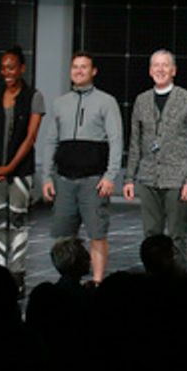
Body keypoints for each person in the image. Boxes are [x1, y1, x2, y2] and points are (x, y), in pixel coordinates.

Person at [41, 52, 124, 285]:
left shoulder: (106, 102)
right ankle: (69, 280)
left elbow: (116, 140)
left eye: (83, 67)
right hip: (64, 179)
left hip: (93, 180)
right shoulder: (60, 103)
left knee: (97, 234)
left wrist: (110, 176)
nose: (78, 71)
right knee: (62, 237)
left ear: (93, 71)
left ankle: (97, 282)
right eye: (75, 67)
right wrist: (47, 176)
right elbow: (50, 141)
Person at [122, 49, 187, 271]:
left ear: (174, 70)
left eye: (165, 65)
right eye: (156, 65)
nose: (160, 69)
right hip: (148, 177)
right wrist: (129, 177)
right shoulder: (141, 101)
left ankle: (178, 282)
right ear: (150, 71)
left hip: (177, 179)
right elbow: (135, 142)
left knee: (177, 235)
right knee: (151, 235)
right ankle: (154, 280)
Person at [0, 47, 45, 291]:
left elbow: (30, 138)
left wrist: (9, 168)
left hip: (19, 172)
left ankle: (16, 275)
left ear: (22, 68)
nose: (7, 72)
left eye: (12, 67)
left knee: (17, 221)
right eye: (4, 67)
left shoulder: (34, 97)